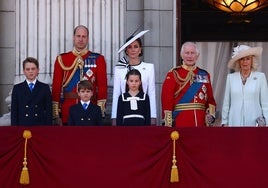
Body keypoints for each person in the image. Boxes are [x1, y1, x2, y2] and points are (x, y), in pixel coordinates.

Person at [51, 25, 107, 125]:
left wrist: (100, 111)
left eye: (84, 36)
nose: (81, 39)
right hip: (67, 110)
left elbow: (102, 87)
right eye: (78, 36)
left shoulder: (98, 59)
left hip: (91, 111)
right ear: (73, 37)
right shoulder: (62, 59)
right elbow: (56, 88)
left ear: (88, 38)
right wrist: (56, 114)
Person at [161, 41, 216, 127]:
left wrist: (210, 116)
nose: (189, 56)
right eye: (187, 53)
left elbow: (210, 99)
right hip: (181, 121)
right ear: (182, 55)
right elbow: (166, 98)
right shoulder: (173, 74)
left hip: (201, 122)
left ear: (197, 56)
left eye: (192, 53)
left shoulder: (204, 74)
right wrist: (168, 122)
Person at [111, 30, 156, 125]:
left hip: (143, 112)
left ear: (140, 49)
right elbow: (116, 93)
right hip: (125, 112)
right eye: (129, 47)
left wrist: (153, 116)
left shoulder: (149, 67)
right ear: (126, 50)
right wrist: (114, 117)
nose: (132, 50)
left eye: (136, 46)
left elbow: (151, 93)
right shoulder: (119, 68)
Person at [221, 45, 268, 127]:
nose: (245, 62)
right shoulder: (231, 78)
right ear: (238, 62)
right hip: (234, 122)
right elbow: (226, 103)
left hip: (255, 122)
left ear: (252, 61)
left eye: (248, 59)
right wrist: (224, 122)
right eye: (242, 59)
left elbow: (265, 104)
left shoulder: (260, 77)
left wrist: (267, 123)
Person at [11, 57, 52, 126]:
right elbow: (14, 111)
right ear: (24, 71)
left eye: (33, 69)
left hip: (40, 125)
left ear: (38, 70)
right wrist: (14, 129)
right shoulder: (17, 88)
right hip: (23, 125)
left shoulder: (44, 88)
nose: (30, 71)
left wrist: (48, 128)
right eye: (28, 69)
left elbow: (48, 111)